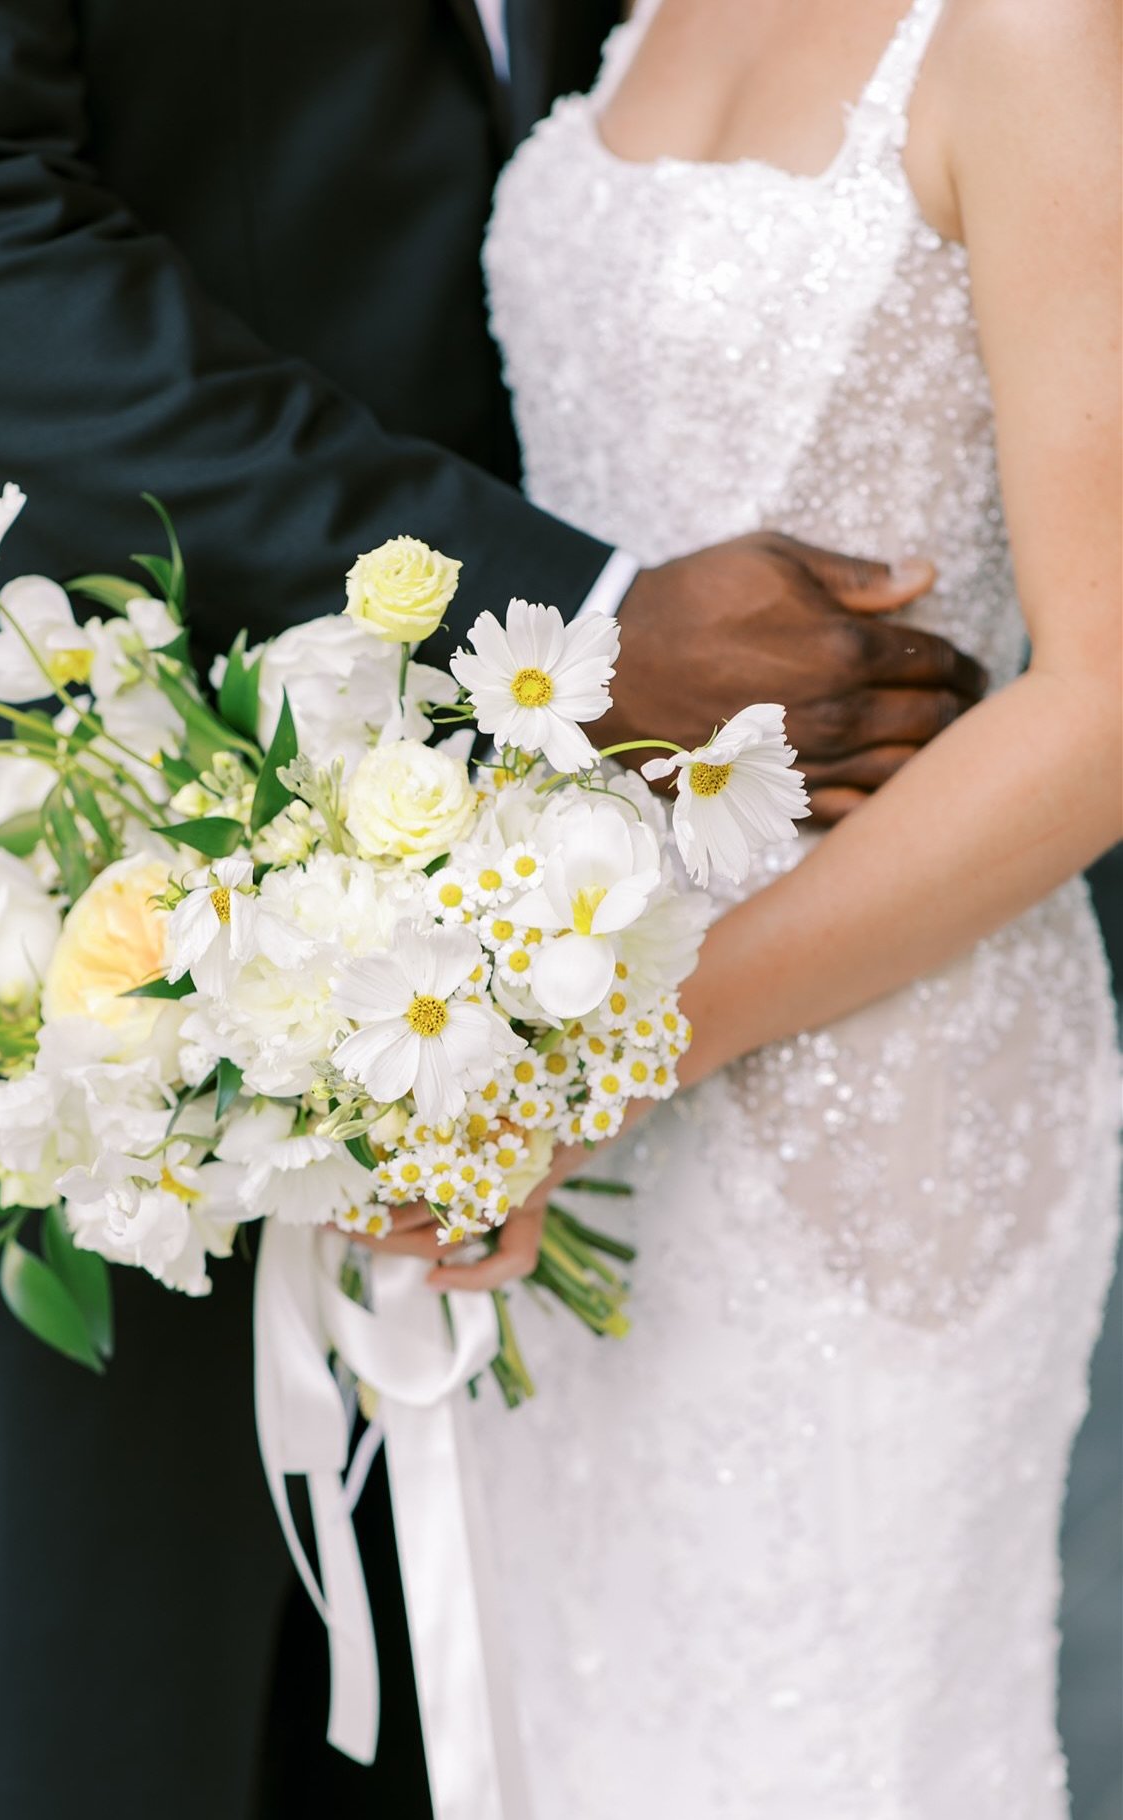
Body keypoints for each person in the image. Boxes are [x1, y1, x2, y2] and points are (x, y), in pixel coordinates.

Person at [0, 3, 984, 1815]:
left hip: (591, 876)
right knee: (97, 1725)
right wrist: (566, 621)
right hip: (94, 845)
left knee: (468, 1716)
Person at [385, 1, 1116, 1813]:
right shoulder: (621, 12)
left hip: (865, 1075)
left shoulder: (1029, 34)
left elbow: (1109, 696)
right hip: (557, 1063)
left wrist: (608, 1050)